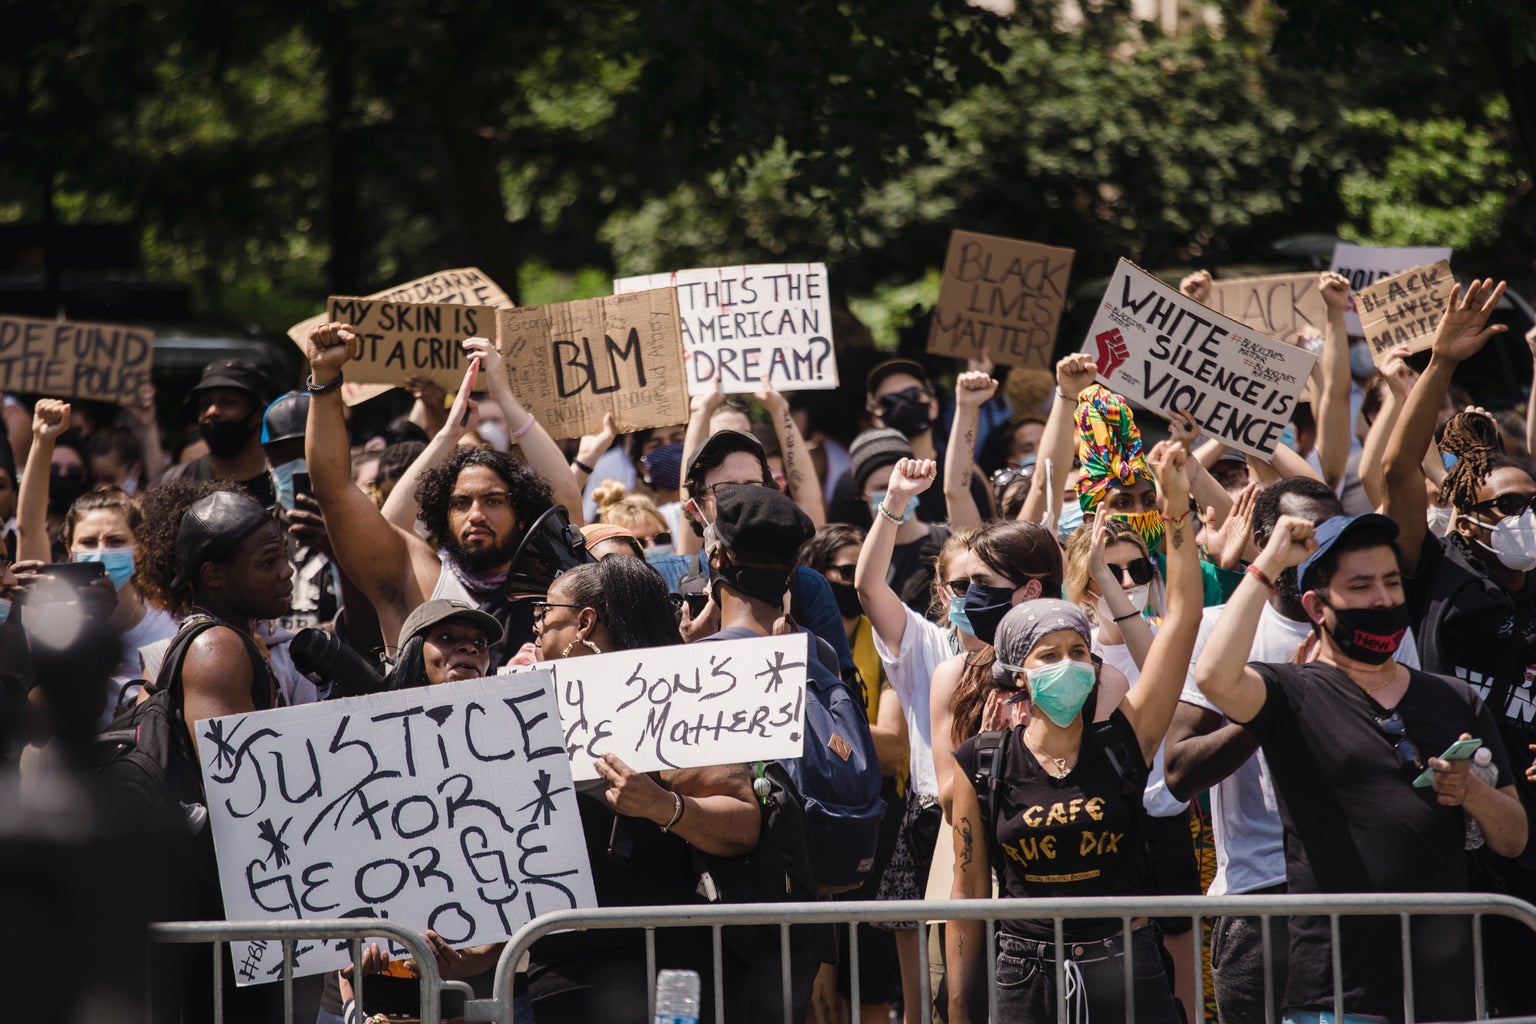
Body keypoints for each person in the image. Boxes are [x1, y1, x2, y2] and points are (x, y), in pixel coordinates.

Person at [1193, 511, 1527, 1023]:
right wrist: (1266, 565)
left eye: (1391, 582)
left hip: (1447, 988)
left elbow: (1514, 838)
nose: (1383, 599)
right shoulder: (1291, 691)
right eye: (1361, 585)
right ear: (1317, 607)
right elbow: (1215, 677)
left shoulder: (1453, 698)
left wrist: (1474, 794)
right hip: (1336, 991)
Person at [946, 439, 1202, 1023]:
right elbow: (966, 898)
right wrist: (960, 1009)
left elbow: (1183, 617)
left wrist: (1177, 510)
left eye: (1078, 652)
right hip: (1024, 974)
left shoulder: (1124, 743)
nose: (1068, 666)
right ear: (1016, 676)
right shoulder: (980, 763)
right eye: (1048, 656)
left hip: (1128, 968)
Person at [1163, 476, 1422, 1023]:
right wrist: (1275, 705)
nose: (1321, 548)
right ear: (1264, 539)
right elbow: (1179, 770)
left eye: (1333, 534)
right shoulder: (1220, 631)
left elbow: (1416, 739)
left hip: (1368, 892)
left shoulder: (1378, 629)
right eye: (1302, 535)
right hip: (1263, 900)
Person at [1379, 277, 1536, 1014]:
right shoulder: (1434, 570)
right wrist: (1439, 363)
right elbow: (1392, 472)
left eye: (1533, 504)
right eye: (1507, 505)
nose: (1523, 516)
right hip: (1436, 812)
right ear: (1466, 516)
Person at [522, 556, 766, 1023]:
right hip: (559, 976)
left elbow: (743, 822)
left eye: (543, 611)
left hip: (659, 974)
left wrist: (662, 806)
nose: (535, 625)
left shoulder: (668, 701)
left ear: (584, 623)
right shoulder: (523, 709)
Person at [105, 488, 292, 1023]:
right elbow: (239, 787)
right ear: (214, 576)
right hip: (221, 914)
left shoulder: (230, 641)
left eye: (285, 557)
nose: (286, 573)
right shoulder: (217, 649)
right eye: (267, 562)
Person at [304, 325, 587, 665]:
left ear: (522, 514)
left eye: (494, 501)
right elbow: (334, 490)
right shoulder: (415, 580)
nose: (476, 515)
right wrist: (324, 377)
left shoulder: (552, 590)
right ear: (443, 515)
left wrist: (505, 398)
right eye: (460, 503)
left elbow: (567, 498)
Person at [315, 598, 501, 1024]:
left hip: (463, 994)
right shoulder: (355, 741)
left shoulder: (505, 748)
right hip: (360, 984)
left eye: (478, 643)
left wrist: (475, 959)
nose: (468, 649)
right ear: (413, 652)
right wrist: (346, 952)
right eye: (447, 638)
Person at [853, 457, 978, 1023]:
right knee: (939, 990)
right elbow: (867, 586)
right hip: (936, 822)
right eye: (962, 584)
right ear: (941, 592)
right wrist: (895, 502)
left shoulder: (1042, 647)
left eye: (989, 582)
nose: (975, 594)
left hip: (1013, 815)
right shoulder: (926, 644)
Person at [798, 523, 908, 1024]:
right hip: (811, 814)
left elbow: (894, 746)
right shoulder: (793, 635)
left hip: (875, 814)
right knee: (819, 955)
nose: (857, 580)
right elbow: (874, 738)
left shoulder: (885, 639)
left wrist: (816, 722)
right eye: (845, 570)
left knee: (870, 958)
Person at [828, 358, 991, 527]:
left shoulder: (963, 476)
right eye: (888, 401)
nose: (902, 404)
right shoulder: (855, 484)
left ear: (933, 405)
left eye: (913, 394)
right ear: (875, 418)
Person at [851, 427, 950, 612]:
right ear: (862, 494)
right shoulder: (861, 558)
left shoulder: (949, 540)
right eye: (884, 487)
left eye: (900, 482)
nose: (895, 491)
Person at [158, 359, 277, 507]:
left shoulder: (281, 483)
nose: (212, 411)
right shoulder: (177, 481)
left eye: (227, 402)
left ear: (259, 413)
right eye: (205, 404)